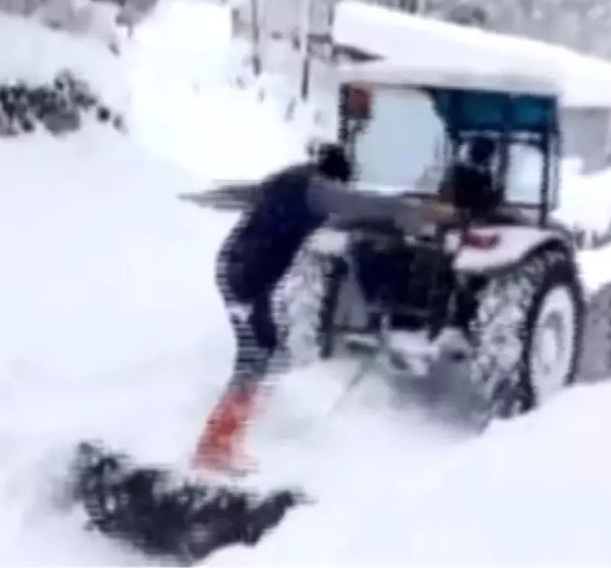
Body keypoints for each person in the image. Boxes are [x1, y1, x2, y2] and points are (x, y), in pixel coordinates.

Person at [192, 144, 453, 476]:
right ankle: (216, 446)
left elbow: (249, 193)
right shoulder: (318, 189)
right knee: (259, 354)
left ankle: (227, 441)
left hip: (235, 266)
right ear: (337, 175)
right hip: (249, 276)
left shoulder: (290, 178)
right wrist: (425, 211)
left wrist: (209, 195)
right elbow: (365, 204)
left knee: (268, 353)